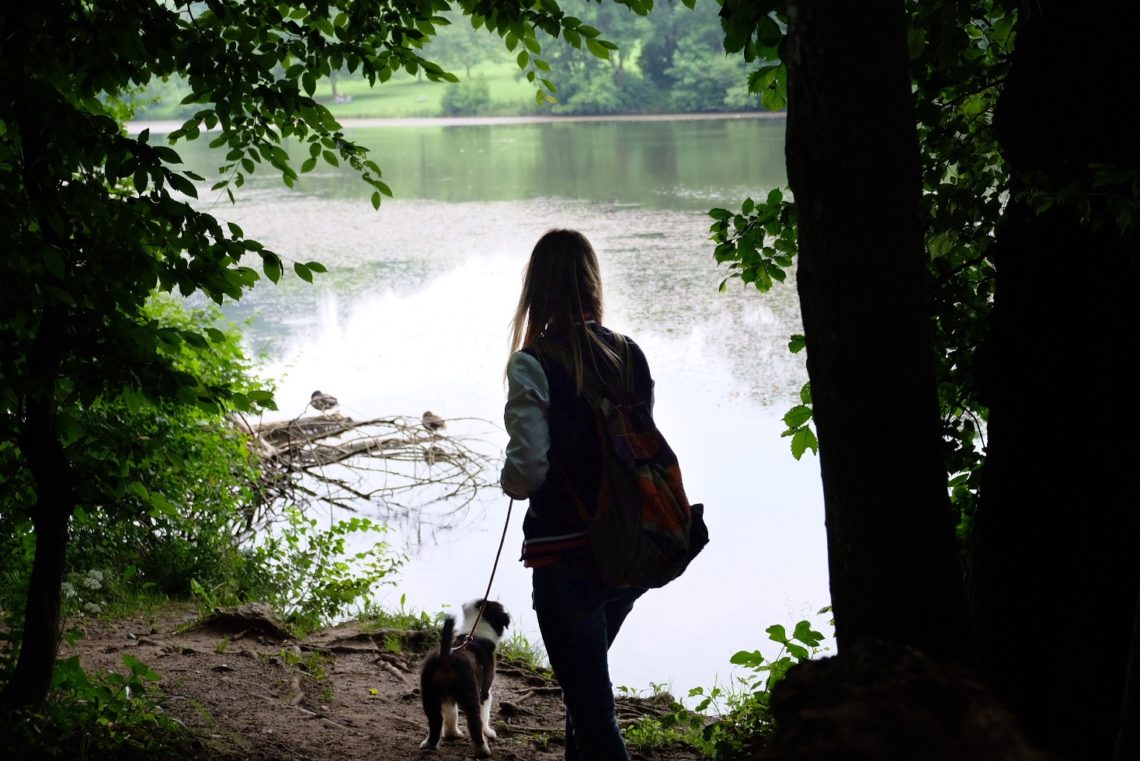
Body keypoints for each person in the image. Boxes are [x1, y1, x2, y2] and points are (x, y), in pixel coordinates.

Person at [500, 228, 654, 761]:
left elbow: (527, 473)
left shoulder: (533, 364)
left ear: (536, 288)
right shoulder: (629, 354)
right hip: (631, 551)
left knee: (592, 707)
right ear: (592, 283)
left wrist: (507, 480)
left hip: (566, 560)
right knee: (584, 695)